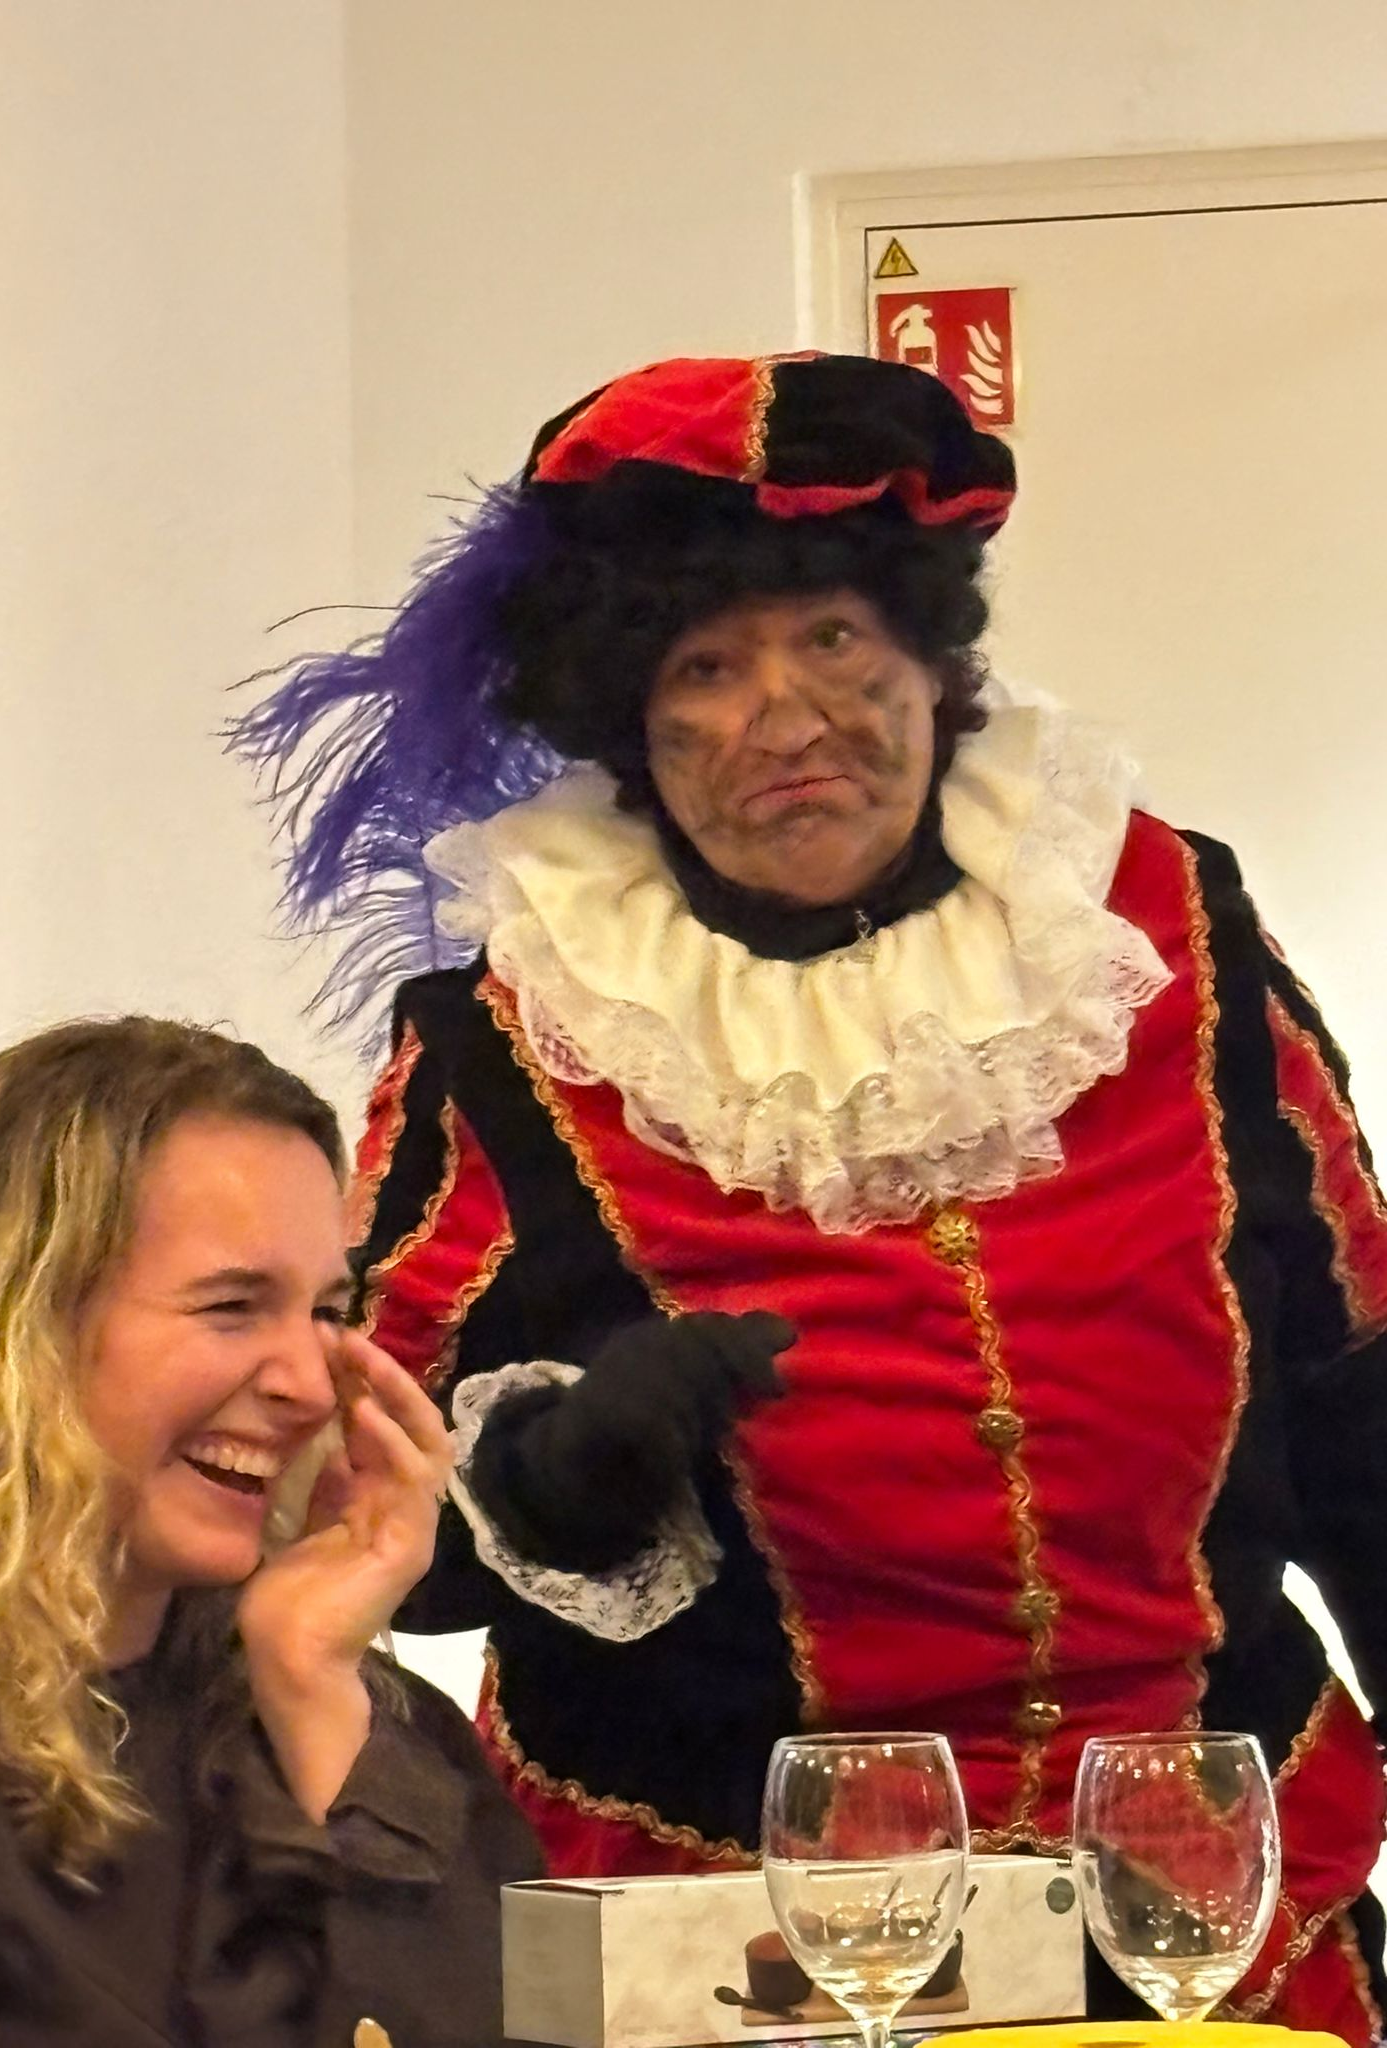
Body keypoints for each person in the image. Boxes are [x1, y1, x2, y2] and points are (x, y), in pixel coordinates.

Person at [237, 352, 1387, 2041]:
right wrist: (563, 1476)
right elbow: (372, 1525)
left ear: (930, 661)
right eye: (709, 666)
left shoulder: (1157, 935)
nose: (789, 716)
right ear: (635, 724)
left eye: (838, 639)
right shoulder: (518, 1032)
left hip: (1203, 1908)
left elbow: (1359, 1393)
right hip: (734, 1936)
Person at [0, 1017, 539, 2048]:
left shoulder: (334, 1700)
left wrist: (312, 1688)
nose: (311, 1384)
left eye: (325, 1311)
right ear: (20, 1327)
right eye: (232, 1306)